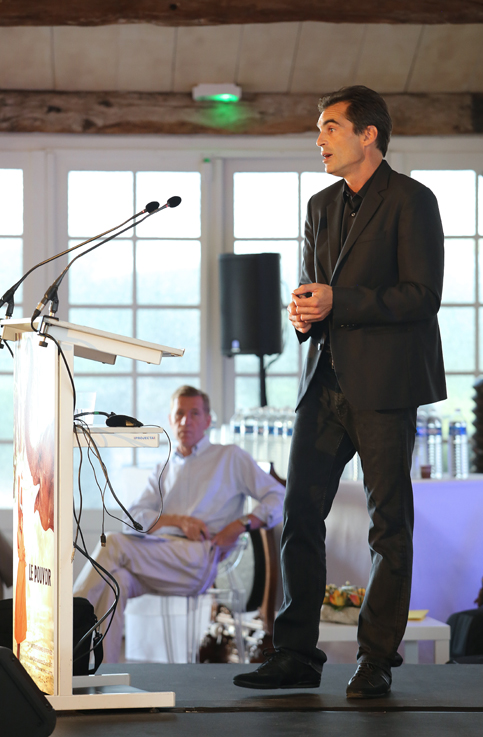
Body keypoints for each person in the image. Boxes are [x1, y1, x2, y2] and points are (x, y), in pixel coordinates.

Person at [234, 85, 446, 697]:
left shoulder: (413, 200)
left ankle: (376, 658)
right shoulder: (320, 205)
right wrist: (304, 313)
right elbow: (315, 288)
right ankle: (296, 654)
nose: (319, 140)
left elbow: (422, 296)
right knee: (299, 515)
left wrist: (337, 300)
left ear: (367, 134)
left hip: (385, 386)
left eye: (330, 127)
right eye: (319, 129)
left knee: (388, 525)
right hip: (323, 381)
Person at [74, 385, 284, 662]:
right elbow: (131, 518)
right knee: (118, 582)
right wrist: (177, 521)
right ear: (171, 421)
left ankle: (66, 621)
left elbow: (278, 497)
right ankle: (103, 670)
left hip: (199, 558)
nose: (186, 421)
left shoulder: (229, 457)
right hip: (160, 555)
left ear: (208, 420)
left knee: (112, 543)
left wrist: (240, 525)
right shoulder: (164, 467)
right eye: (180, 414)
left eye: (194, 413)